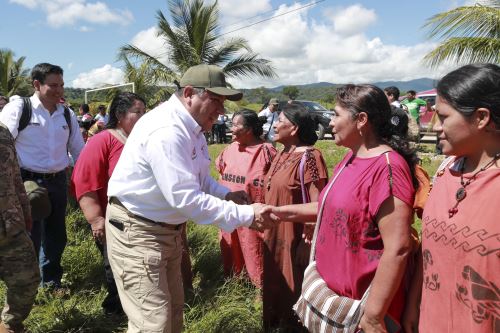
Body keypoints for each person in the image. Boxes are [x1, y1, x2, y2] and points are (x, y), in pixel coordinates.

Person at [105, 64, 274, 333]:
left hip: (163, 231)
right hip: (139, 232)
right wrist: (248, 215)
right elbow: (186, 198)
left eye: (224, 103)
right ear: (188, 94)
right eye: (216, 100)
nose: (222, 111)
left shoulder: (191, 128)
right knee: (153, 325)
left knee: (172, 317)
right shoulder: (167, 131)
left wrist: (226, 194)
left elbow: (199, 179)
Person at [266, 84, 419, 332]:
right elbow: (330, 208)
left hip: (362, 312)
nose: (330, 123)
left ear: (361, 120)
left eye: (336, 115)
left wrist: (372, 317)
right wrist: (280, 212)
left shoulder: (388, 168)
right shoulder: (350, 158)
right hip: (335, 302)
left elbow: (398, 247)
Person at [402, 63, 500, 333]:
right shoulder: (446, 171)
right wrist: (414, 304)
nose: (434, 127)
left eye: (443, 118)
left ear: (481, 118)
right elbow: (428, 251)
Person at [0, 63, 84, 289]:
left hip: (57, 180)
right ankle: (26, 285)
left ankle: (51, 281)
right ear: (37, 84)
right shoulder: (20, 108)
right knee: (30, 235)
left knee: (57, 234)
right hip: (27, 182)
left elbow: (79, 151)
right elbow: (3, 144)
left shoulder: (67, 114)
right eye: (53, 85)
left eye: (62, 85)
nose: (59, 90)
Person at [71, 92, 146, 315]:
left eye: (145, 112)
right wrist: (96, 220)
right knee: (116, 268)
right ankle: (116, 310)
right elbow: (84, 181)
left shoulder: (144, 140)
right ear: (119, 115)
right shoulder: (103, 140)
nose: (143, 117)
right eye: (137, 112)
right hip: (113, 222)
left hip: (143, 222)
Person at [262, 104, 328, 331]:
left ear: (294, 128)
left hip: (296, 239)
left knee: (294, 289)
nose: (275, 124)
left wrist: (306, 242)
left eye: (280, 120)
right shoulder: (280, 153)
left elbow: (318, 204)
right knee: (274, 283)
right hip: (272, 236)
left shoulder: (310, 157)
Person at [215, 110, 277, 287]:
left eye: (236, 124)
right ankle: (235, 284)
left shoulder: (266, 151)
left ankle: (260, 291)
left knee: (254, 250)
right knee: (230, 245)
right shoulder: (230, 149)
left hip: (253, 216)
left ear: (249, 129)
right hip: (228, 213)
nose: (231, 128)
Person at [0, 123, 40, 333]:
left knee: (28, 279)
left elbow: (15, 176)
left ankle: (10, 325)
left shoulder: (2, 131)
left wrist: (25, 211)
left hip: (11, 223)